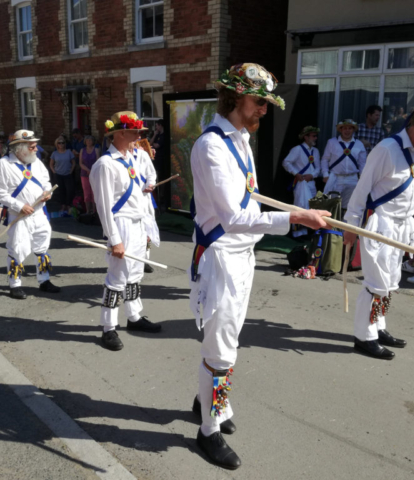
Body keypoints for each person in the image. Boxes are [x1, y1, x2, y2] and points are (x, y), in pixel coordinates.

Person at [189, 63, 329, 470]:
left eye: (268, 103)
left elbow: (249, 199)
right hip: (222, 257)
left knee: (224, 343)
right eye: (259, 102)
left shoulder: (240, 140)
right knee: (223, 349)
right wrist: (295, 219)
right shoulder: (212, 145)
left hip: (242, 254)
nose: (265, 110)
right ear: (234, 98)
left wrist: (295, 211)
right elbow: (233, 217)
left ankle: (205, 401)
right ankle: (208, 429)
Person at [343, 103, 414, 361]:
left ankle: (378, 327)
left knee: (391, 282)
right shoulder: (386, 149)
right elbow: (361, 190)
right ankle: (364, 336)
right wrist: (350, 225)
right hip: (381, 224)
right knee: (375, 283)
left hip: (403, 225)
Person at [89, 111, 163, 352]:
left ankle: (134, 317)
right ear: (119, 133)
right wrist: (115, 240)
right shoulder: (105, 165)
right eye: (134, 132)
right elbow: (104, 208)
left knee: (135, 275)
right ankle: (108, 328)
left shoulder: (132, 158)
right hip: (120, 226)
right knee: (116, 279)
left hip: (138, 224)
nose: (139, 137)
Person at [0, 130, 60, 300]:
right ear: (20, 148)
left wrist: (47, 192)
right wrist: (19, 205)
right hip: (19, 215)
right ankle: (15, 285)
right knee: (17, 249)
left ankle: (44, 280)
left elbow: (46, 180)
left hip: (39, 214)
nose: (36, 149)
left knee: (42, 247)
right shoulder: (4, 164)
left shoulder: (36, 162)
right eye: (32, 146)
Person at [282, 125, 321, 237]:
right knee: (300, 207)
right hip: (300, 183)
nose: (315, 138)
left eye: (315, 136)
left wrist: (312, 175)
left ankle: (309, 232)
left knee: (312, 207)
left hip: (311, 183)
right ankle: (298, 233)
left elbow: (318, 168)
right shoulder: (297, 150)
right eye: (313, 136)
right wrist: (296, 174)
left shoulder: (316, 151)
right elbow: (286, 162)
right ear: (306, 137)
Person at [321, 119, 367, 209]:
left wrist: (363, 178)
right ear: (341, 130)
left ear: (353, 130)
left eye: (350, 128)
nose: (347, 131)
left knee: (350, 207)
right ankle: (333, 223)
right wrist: (325, 174)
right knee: (332, 206)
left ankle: (344, 223)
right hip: (336, 178)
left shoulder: (359, 144)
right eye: (345, 128)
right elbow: (324, 160)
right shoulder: (332, 142)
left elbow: (362, 164)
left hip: (352, 179)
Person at [132, 140, 159, 273]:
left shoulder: (143, 156)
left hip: (145, 199)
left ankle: (145, 260)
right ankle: (131, 260)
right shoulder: (117, 158)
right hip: (128, 202)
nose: (135, 141)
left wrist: (150, 184)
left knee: (147, 229)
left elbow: (151, 174)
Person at [50, 136, 76, 214]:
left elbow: (73, 162)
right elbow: (51, 164)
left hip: (67, 174)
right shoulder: (54, 153)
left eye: (63, 143)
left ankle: (68, 205)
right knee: (61, 191)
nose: (61, 144)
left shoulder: (68, 152)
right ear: (57, 144)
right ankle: (63, 205)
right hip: (58, 174)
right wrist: (54, 171)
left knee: (69, 190)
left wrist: (71, 171)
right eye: (59, 143)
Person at [79, 135, 98, 215]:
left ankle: (94, 211)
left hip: (94, 173)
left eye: (90, 140)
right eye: (87, 140)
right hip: (84, 174)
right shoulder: (82, 150)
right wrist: (88, 170)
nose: (89, 142)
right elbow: (80, 163)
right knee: (86, 192)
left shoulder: (96, 150)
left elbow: (98, 161)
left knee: (94, 192)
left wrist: (92, 171)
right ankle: (88, 211)